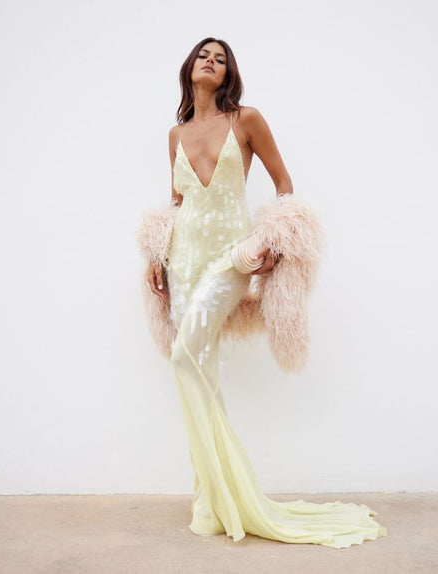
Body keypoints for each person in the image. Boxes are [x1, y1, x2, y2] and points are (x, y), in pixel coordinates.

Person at [139, 37, 387, 547]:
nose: (211, 61)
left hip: (230, 258)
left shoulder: (247, 120)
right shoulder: (175, 134)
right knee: (201, 372)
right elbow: (177, 202)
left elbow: (283, 184)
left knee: (184, 358)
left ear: (228, 73)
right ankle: (210, 501)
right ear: (189, 68)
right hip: (183, 261)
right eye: (204, 55)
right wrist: (156, 255)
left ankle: (235, 493)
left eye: (221, 58)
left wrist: (272, 237)